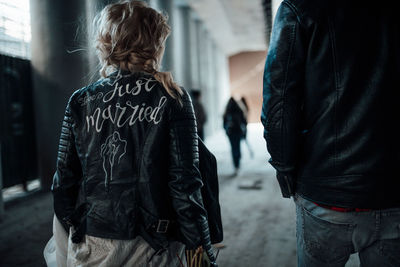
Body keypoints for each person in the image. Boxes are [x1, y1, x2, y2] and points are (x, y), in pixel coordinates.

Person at [51, 1, 217, 266]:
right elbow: (185, 184)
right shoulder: (172, 96)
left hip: (93, 240)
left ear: (105, 43)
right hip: (152, 243)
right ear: (154, 44)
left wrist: (79, 228)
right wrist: (200, 247)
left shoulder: (80, 100)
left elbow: (63, 183)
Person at [261, 0, 400, 266]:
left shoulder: (300, 7)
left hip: (326, 194)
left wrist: (286, 172)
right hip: (392, 191)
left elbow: (279, 105)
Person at [223, 96, 248, 176]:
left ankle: (236, 164)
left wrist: (226, 131)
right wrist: (245, 132)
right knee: (237, 147)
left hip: (231, 133)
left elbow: (224, 123)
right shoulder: (239, 110)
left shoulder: (227, 111)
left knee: (233, 148)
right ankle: (238, 162)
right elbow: (244, 122)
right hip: (238, 132)